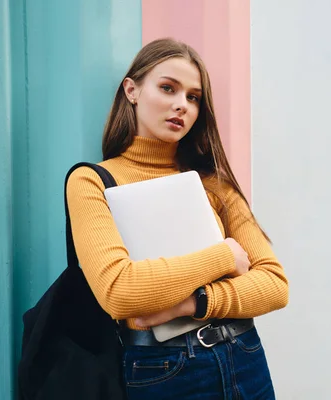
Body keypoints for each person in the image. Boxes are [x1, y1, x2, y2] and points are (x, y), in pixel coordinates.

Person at [66, 38, 289, 399]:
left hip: (244, 356)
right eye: (168, 88)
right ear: (132, 90)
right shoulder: (92, 180)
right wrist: (223, 256)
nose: (181, 105)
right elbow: (121, 292)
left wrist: (192, 303)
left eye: (193, 97)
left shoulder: (213, 182)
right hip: (162, 370)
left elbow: (275, 284)